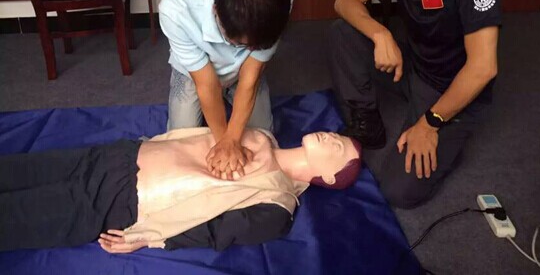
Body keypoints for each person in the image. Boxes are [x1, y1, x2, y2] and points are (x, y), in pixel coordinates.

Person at [329, 0, 501, 209]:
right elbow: (345, 0)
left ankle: (451, 135)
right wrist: (381, 34)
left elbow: (483, 68)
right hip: (413, 65)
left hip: (452, 89)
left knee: (399, 191)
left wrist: (430, 123)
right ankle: (368, 120)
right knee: (343, 31)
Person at [0, 128, 361, 253]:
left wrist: (150, 239)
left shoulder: (278, 206)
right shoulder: (263, 135)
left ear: (329, 178)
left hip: (123, 201)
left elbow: (215, 232)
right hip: (118, 156)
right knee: (19, 170)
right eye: (338, 136)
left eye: (338, 147)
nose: (331, 136)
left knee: (16, 216)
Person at [158, 0, 293, 180]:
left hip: (243, 71)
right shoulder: (177, 9)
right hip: (195, 74)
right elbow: (206, 84)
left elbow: (250, 79)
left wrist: (233, 138)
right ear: (215, 11)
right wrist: (225, 141)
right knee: (180, 144)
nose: (248, 48)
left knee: (263, 140)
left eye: (254, 46)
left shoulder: (279, 2)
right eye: (240, 44)